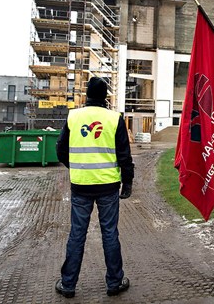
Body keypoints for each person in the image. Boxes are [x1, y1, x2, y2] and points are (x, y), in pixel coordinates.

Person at [54, 77, 134, 299]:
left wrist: (77, 167)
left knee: (77, 234)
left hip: (81, 186)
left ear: (87, 95)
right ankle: (114, 282)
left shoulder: (74, 116)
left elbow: (60, 149)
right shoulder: (114, 118)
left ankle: (68, 284)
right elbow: (125, 155)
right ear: (105, 96)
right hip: (108, 186)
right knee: (110, 233)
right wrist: (127, 182)